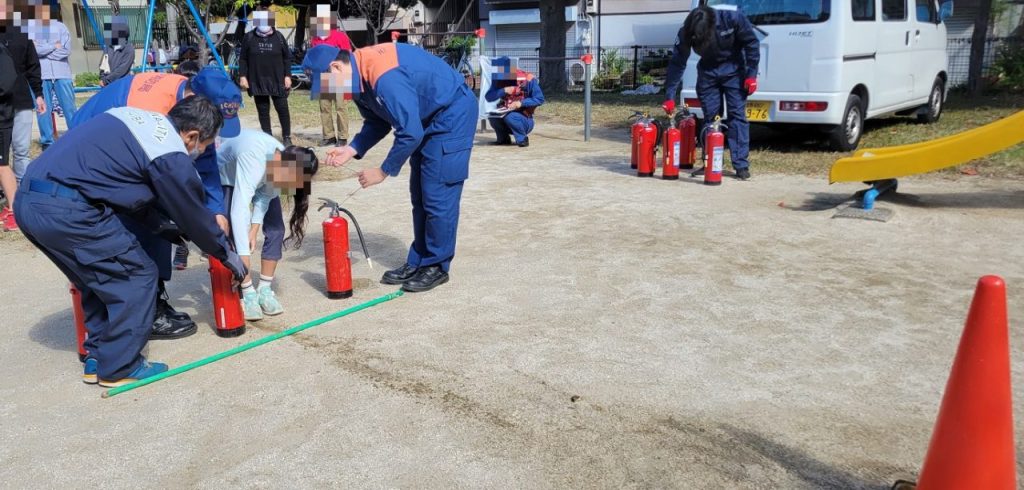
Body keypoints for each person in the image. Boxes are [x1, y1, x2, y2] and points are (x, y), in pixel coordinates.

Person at [15, 97, 247, 387]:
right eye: (205, 145)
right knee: (137, 276)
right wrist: (226, 254)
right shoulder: (170, 153)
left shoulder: (135, 119)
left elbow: (126, 192)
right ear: (192, 136)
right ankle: (120, 367)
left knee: (98, 279)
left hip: (29, 203)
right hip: (68, 210)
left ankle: (98, 357)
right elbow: (194, 214)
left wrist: (163, 228)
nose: (201, 152)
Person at [71, 67, 242, 340]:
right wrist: (210, 237)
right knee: (147, 212)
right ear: (196, 101)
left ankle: (149, 299)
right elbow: (161, 181)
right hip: (93, 148)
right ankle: (147, 309)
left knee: (160, 211)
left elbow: (206, 160)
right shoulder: (149, 110)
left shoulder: (191, 112)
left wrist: (217, 210)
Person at [305, 43, 477, 293]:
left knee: (437, 194)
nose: (328, 94)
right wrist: (352, 149)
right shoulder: (357, 79)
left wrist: (383, 171)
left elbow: (410, 132)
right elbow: (377, 121)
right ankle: (418, 261)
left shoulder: (383, 76)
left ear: (334, 67)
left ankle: (436, 265)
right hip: (425, 117)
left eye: (325, 86)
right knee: (420, 194)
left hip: (451, 113)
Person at [217, 131, 318, 320]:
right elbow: (239, 208)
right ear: (280, 161)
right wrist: (243, 257)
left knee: (276, 228)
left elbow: (264, 197)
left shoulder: (285, 161)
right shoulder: (256, 157)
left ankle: (264, 289)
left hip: (259, 179)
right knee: (232, 232)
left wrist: (254, 230)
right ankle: (247, 293)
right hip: (227, 178)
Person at [663, 2, 759, 181]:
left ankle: (741, 165)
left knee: (737, 117)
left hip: (734, 71)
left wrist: (751, 75)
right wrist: (669, 96)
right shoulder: (687, 30)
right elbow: (678, 62)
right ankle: (711, 162)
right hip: (708, 74)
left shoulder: (732, 18)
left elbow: (752, 43)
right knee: (710, 118)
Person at [1, 13, 45, 232]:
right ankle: (10, 199)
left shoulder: (21, 33)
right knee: (2, 158)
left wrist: (39, 94)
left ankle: (24, 200)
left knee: (21, 152)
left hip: (21, 100)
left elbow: (32, 65)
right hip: (2, 104)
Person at [238, 4, 292, 145]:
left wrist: (287, 76)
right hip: (257, 80)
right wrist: (243, 76)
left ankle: (286, 137)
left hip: (277, 79)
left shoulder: (279, 37)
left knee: (283, 109)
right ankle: (267, 138)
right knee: (263, 112)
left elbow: (287, 58)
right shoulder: (249, 37)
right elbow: (243, 58)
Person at [27, 0, 75, 151]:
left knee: (70, 108)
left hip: (62, 73)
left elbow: (66, 50)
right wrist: (54, 46)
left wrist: (44, 51)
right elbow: (34, 52)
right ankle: (47, 142)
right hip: (42, 75)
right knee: (43, 109)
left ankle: (76, 136)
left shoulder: (61, 27)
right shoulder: (30, 29)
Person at [309, 5, 351, 147]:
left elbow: (347, 56)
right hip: (322, 75)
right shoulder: (315, 38)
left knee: (340, 107)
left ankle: (343, 137)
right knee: (325, 107)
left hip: (339, 75)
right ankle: (329, 136)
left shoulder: (340, 36)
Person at [485, 58, 544, 147]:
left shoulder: (528, 79)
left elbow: (540, 99)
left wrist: (521, 103)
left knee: (511, 116)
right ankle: (503, 139)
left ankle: (522, 139)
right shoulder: (498, 79)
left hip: (525, 119)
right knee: (493, 115)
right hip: (505, 115)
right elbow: (489, 97)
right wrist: (503, 90)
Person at [98, 16, 134, 87]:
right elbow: (102, 64)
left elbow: (122, 70)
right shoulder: (108, 47)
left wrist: (106, 81)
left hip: (121, 85)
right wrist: (102, 78)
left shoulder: (129, 49)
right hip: (107, 85)